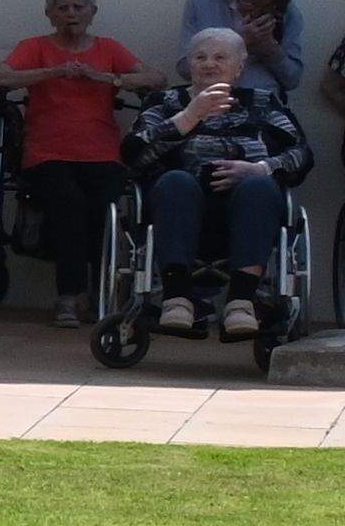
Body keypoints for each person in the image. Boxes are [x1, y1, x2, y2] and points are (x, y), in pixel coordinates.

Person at [125, 26, 310, 340]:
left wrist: (262, 168)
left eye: (220, 57)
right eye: (200, 57)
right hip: (177, 211)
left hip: (249, 212)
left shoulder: (263, 103)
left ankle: (241, 302)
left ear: (239, 67)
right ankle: (177, 298)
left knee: (259, 186)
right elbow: (133, 155)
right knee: (176, 181)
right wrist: (188, 117)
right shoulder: (166, 102)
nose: (209, 63)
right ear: (189, 64)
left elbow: (302, 154)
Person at [0, 0, 145, 327]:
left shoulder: (108, 48)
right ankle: (69, 297)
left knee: (106, 207)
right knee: (69, 203)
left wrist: (103, 78)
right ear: (50, 15)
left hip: (102, 154)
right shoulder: (36, 47)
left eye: (78, 7)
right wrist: (52, 72)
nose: (71, 14)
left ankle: (101, 293)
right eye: (63, 8)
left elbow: (155, 78)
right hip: (47, 154)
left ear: (92, 13)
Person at [181, 0, 304, 109]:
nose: (255, 11)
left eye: (265, 6)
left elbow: (292, 80)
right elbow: (185, 69)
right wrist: (238, 43)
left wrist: (270, 49)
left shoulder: (287, 13)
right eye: (249, 3)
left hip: (265, 105)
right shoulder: (200, 5)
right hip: (209, 103)